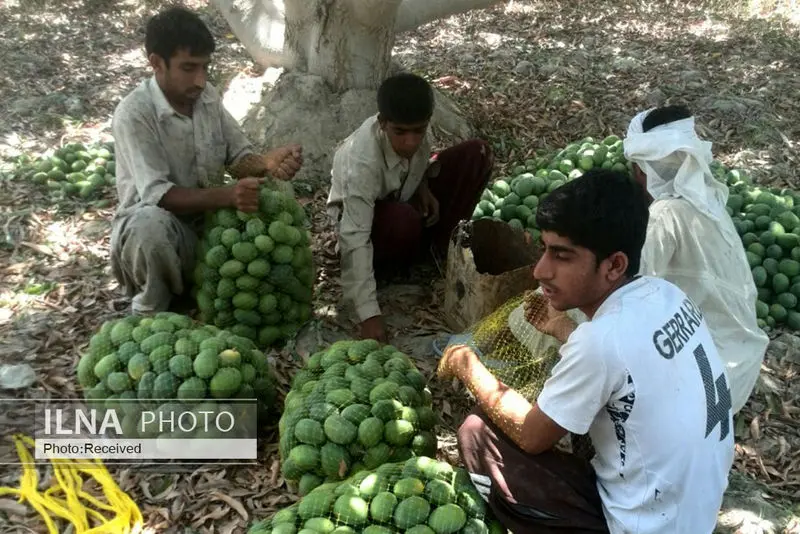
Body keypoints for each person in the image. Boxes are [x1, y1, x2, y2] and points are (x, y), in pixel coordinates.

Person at [439, 169, 735, 534]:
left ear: (614, 265)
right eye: (544, 250)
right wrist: (563, 330)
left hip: (642, 526)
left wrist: (467, 364)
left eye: (561, 256)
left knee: (476, 432)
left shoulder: (601, 341)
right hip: (691, 513)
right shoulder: (667, 296)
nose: (540, 271)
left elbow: (532, 435)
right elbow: (631, 363)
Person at [110, 6, 303, 316]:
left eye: (205, 67)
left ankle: (202, 293)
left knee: (271, 225)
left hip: (208, 232)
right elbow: (160, 196)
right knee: (150, 225)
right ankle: (150, 309)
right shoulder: (135, 114)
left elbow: (238, 160)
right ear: (157, 64)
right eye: (189, 68)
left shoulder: (206, 97)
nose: (200, 80)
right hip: (155, 238)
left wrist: (267, 163)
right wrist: (227, 196)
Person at [327, 72, 494, 342]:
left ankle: (438, 252)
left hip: (405, 206)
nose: (411, 142)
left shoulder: (413, 133)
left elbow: (416, 163)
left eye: (419, 131)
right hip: (374, 228)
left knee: (477, 153)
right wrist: (369, 315)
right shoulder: (361, 162)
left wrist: (423, 186)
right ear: (382, 124)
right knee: (403, 218)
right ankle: (393, 268)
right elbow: (354, 235)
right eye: (400, 132)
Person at [624, 104, 769, 414]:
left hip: (711, 384)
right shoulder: (707, 197)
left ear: (641, 170)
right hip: (740, 360)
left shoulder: (665, 215)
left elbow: (626, 294)